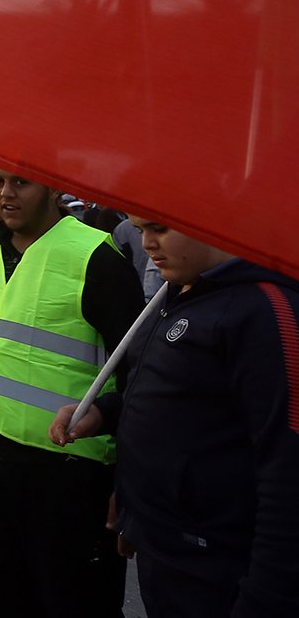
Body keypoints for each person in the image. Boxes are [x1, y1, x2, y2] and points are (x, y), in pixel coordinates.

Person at [51, 220, 299, 618]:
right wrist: (104, 413)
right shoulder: (178, 290)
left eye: (161, 227)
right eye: (139, 227)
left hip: (217, 565)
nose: (146, 242)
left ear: (207, 218)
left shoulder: (266, 310)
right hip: (163, 545)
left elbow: (286, 467)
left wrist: (264, 598)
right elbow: (177, 400)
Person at [0, 169, 143, 618]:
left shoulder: (95, 257)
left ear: (52, 188)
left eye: (21, 183)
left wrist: (128, 478)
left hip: (68, 470)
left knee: (72, 601)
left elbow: (138, 373)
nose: (6, 194)